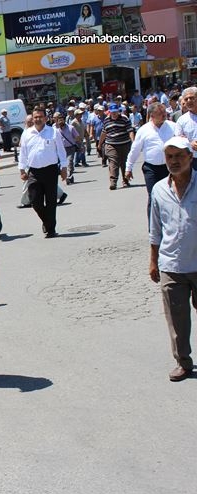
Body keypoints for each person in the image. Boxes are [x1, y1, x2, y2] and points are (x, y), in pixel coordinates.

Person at [149, 137, 197, 382]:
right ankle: (183, 362)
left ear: (190, 157)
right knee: (176, 319)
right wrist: (154, 260)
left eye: (179, 156)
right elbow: (155, 228)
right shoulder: (158, 189)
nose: (174, 161)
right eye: (169, 157)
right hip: (172, 264)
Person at [19, 107, 68, 238]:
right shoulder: (27, 133)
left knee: (51, 201)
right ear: (32, 118)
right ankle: (47, 221)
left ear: (45, 118)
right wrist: (22, 169)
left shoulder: (53, 132)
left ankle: (50, 229)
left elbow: (61, 151)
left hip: (50, 170)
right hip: (34, 172)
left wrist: (64, 168)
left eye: (40, 116)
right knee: (35, 201)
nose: (38, 119)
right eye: (35, 117)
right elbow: (23, 153)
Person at [126, 102, 177, 220]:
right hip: (151, 168)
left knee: (172, 195)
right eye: (160, 114)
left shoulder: (172, 126)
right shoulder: (144, 130)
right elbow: (135, 150)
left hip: (170, 168)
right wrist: (129, 168)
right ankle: (153, 227)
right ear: (152, 116)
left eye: (164, 113)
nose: (164, 115)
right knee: (154, 196)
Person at [98, 103, 136, 189]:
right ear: (109, 112)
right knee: (113, 162)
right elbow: (104, 133)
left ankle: (125, 180)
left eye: (115, 112)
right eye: (112, 112)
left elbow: (130, 131)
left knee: (124, 162)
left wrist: (133, 142)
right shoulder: (107, 120)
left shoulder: (124, 118)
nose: (114, 114)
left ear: (118, 111)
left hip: (124, 144)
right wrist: (100, 144)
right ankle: (113, 182)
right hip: (111, 144)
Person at [174, 86, 197, 171]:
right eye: (186, 99)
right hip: (192, 161)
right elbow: (178, 139)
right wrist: (190, 144)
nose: (189, 101)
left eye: (191, 98)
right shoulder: (182, 120)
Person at [54, 112, 80, 179]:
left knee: (70, 161)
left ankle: (69, 176)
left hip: (70, 148)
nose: (60, 122)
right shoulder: (55, 130)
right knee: (62, 163)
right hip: (61, 149)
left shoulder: (71, 128)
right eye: (59, 120)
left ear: (64, 120)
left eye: (62, 120)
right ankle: (68, 174)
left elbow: (77, 137)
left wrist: (80, 145)